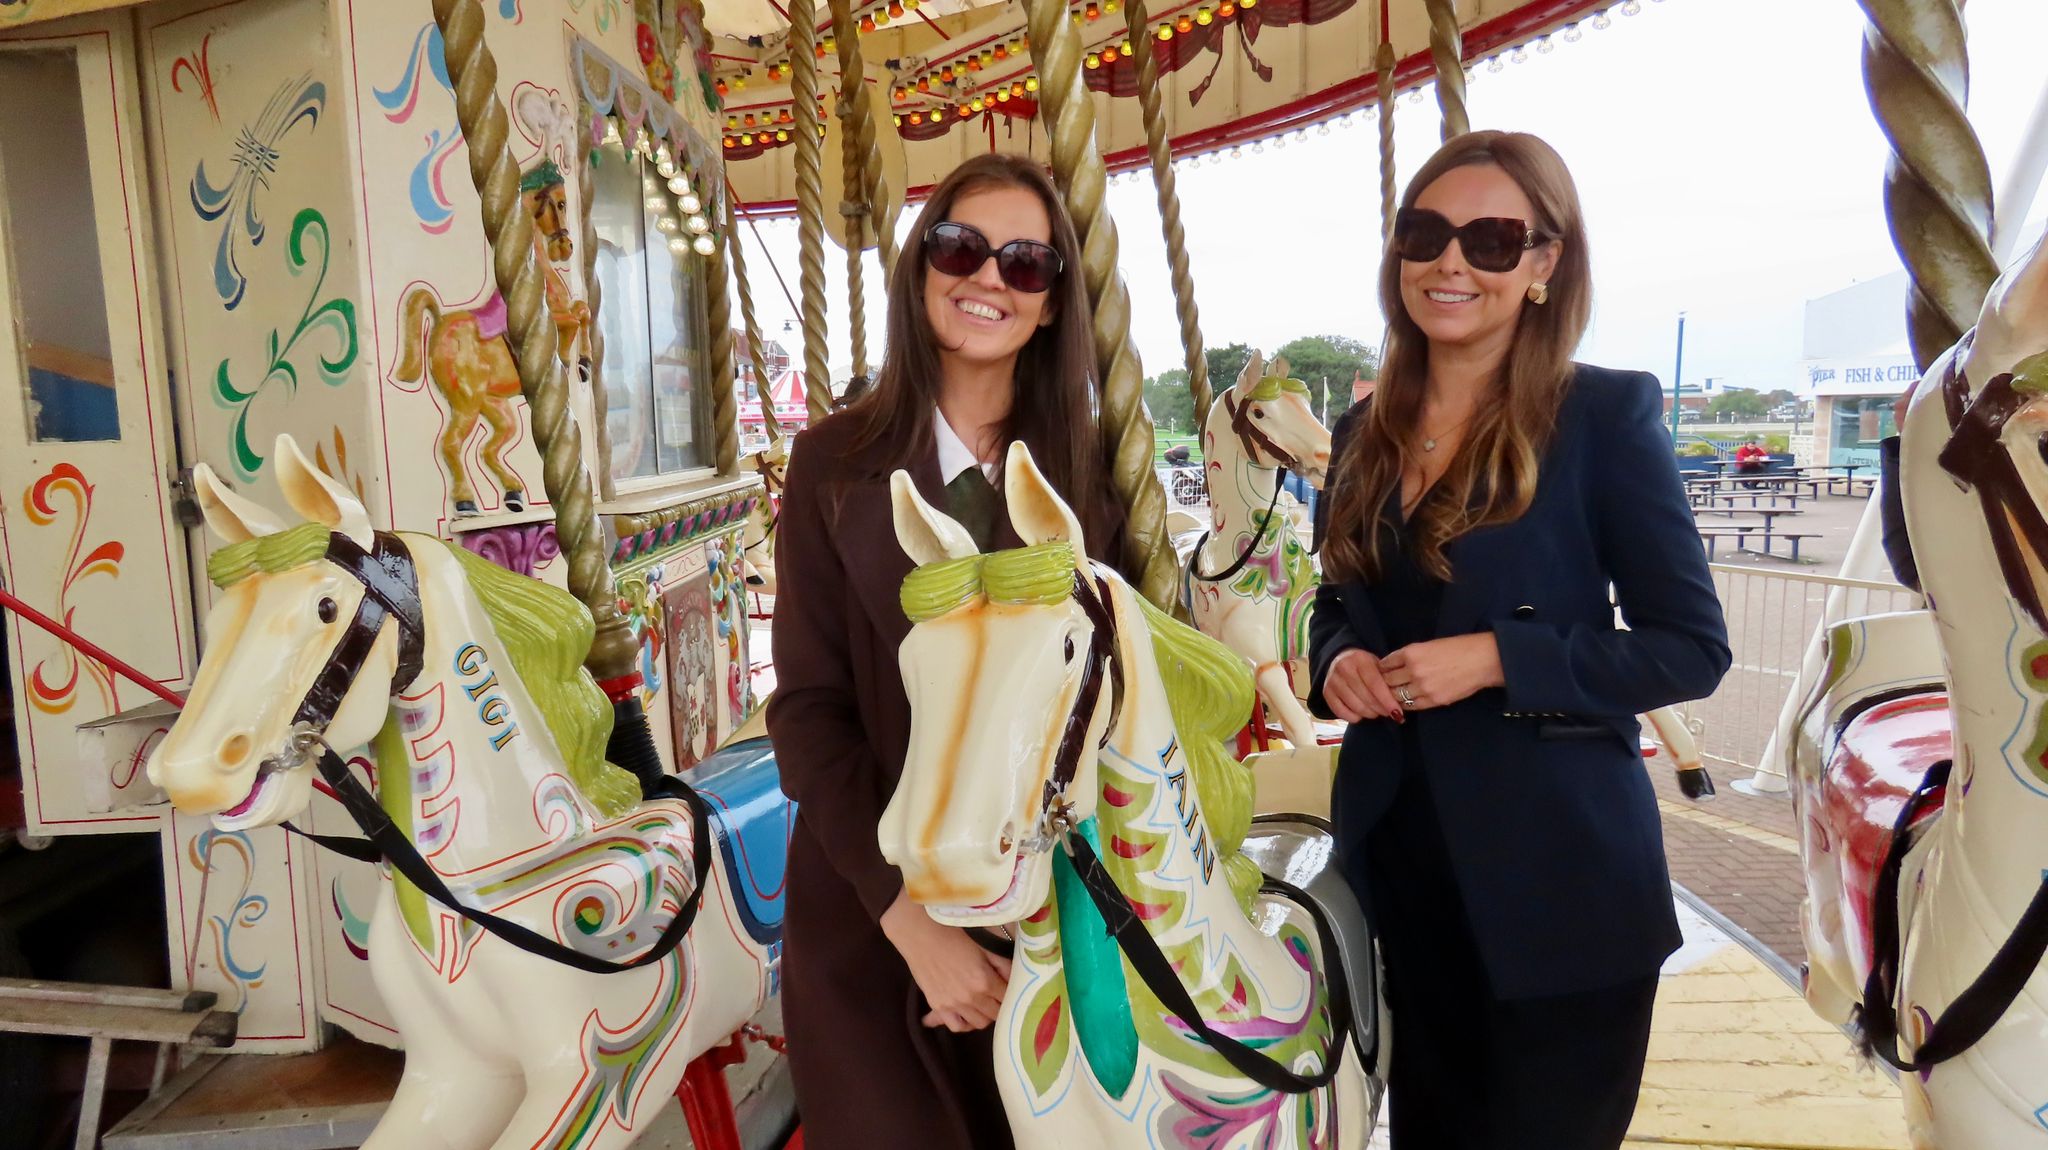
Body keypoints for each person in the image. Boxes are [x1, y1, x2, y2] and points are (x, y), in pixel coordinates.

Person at [1308, 130, 1730, 1149]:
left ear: (1544, 263)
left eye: (1491, 239)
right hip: (1403, 861)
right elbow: (1339, 599)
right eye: (1425, 234)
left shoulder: (1600, 415)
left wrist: (1499, 658)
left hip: (1556, 880)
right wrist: (1337, 661)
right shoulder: (1364, 434)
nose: (1450, 262)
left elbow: (1689, 645)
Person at [766, 153, 1127, 1149]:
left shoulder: (1091, 479)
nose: (989, 279)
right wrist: (909, 922)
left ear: (1052, 302)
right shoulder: (832, 465)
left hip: (1051, 919)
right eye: (961, 248)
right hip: (877, 908)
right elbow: (807, 712)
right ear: (920, 264)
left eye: (1026, 263)